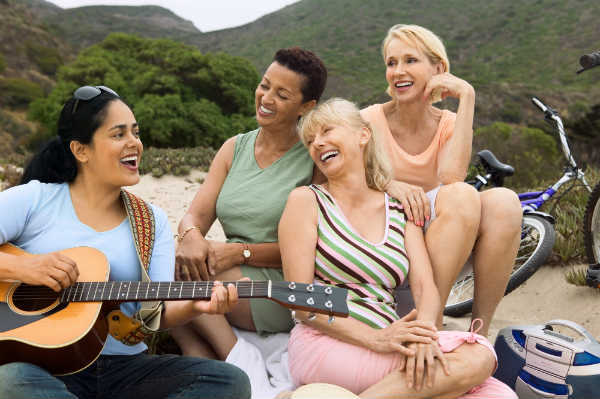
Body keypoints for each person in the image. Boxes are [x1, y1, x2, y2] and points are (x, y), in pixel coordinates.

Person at [0, 85, 250, 399]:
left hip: (124, 369)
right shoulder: (36, 199)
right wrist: (25, 267)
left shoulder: (149, 220)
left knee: (229, 382)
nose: (134, 143)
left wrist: (195, 307)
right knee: (8, 380)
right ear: (81, 151)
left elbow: (158, 312)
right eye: (119, 135)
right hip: (41, 367)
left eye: (136, 132)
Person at [279, 98, 517, 398]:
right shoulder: (306, 201)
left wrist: (424, 335)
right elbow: (301, 300)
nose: (318, 143)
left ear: (363, 135)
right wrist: (374, 338)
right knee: (478, 356)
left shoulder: (397, 208)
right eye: (311, 141)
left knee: (498, 395)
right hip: (328, 342)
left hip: (391, 341)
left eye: (327, 131)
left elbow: (425, 287)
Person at [361, 24, 522, 336]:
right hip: (387, 233)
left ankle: (477, 335)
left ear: (439, 69)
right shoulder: (369, 120)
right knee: (461, 195)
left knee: (504, 202)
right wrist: (389, 184)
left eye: (410, 60)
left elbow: (451, 177)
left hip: (440, 237)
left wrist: (467, 97)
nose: (398, 71)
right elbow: (346, 182)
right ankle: (430, 323)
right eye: (391, 63)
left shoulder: (448, 123)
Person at [172, 47, 328, 359]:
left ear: (306, 106)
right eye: (264, 85)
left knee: (180, 282)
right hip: (228, 270)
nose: (267, 98)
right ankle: (202, 364)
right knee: (167, 264)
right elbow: (194, 216)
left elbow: (319, 249)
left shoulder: (314, 159)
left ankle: (239, 359)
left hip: (281, 284)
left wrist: (238, 252)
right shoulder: (234, 148)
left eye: (282, 94)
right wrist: (190, 238)